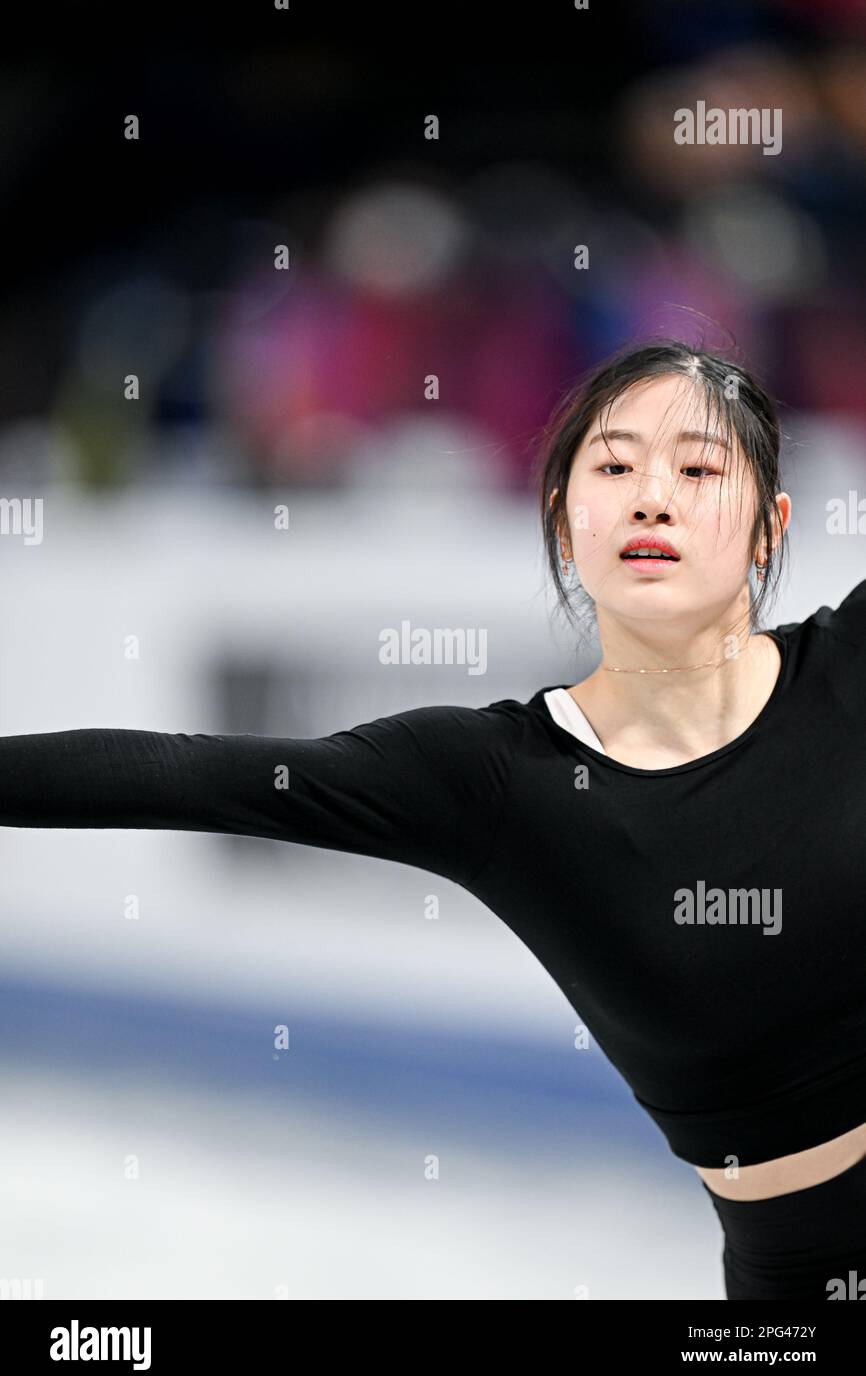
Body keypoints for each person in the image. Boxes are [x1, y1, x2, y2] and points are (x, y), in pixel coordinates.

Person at [1, 338, 865, 1300]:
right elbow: (184, 775)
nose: (652, 496)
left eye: (699, 469)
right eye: (614, 466)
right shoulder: (494, 777)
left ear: (769, 527)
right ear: (564, 522)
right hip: (793, 1280)